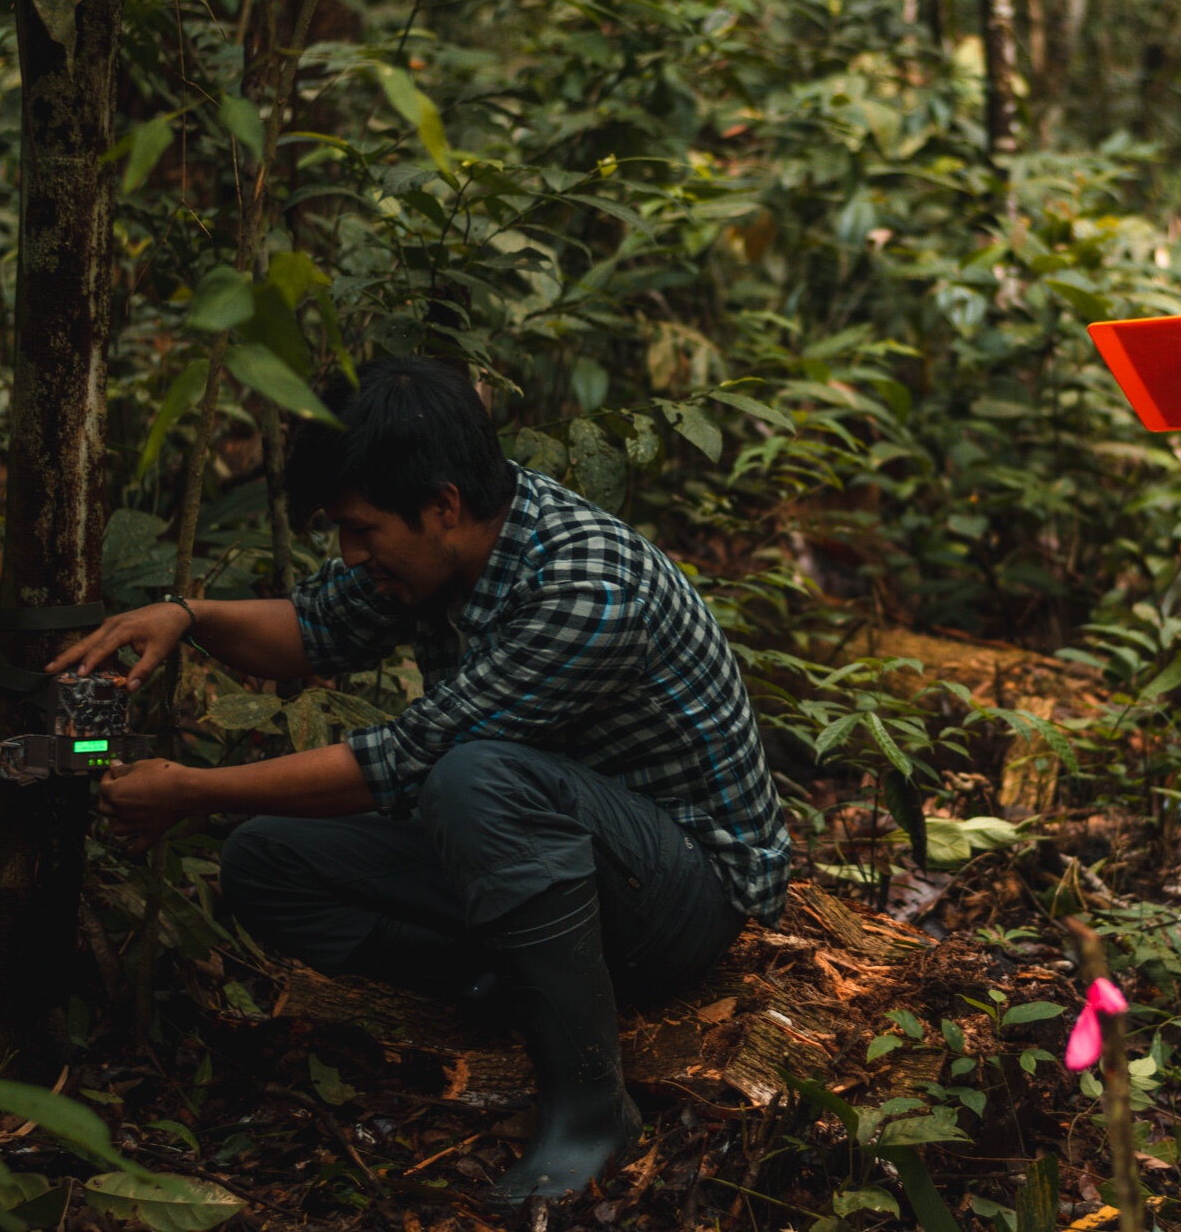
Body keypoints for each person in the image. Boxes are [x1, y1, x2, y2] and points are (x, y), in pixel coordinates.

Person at [50, 356, 792, 1213]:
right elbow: (310, 631)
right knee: (265, 861)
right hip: (565, 856)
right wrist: (184, 615)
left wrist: (189, 789)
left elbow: (394, 764)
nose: (351, 553)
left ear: (442, 504)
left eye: (363, 530)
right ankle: (521, 981)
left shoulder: (584, 585)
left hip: (684, 891)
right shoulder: (437, 550)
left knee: (470, 776)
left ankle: (590, 1108)